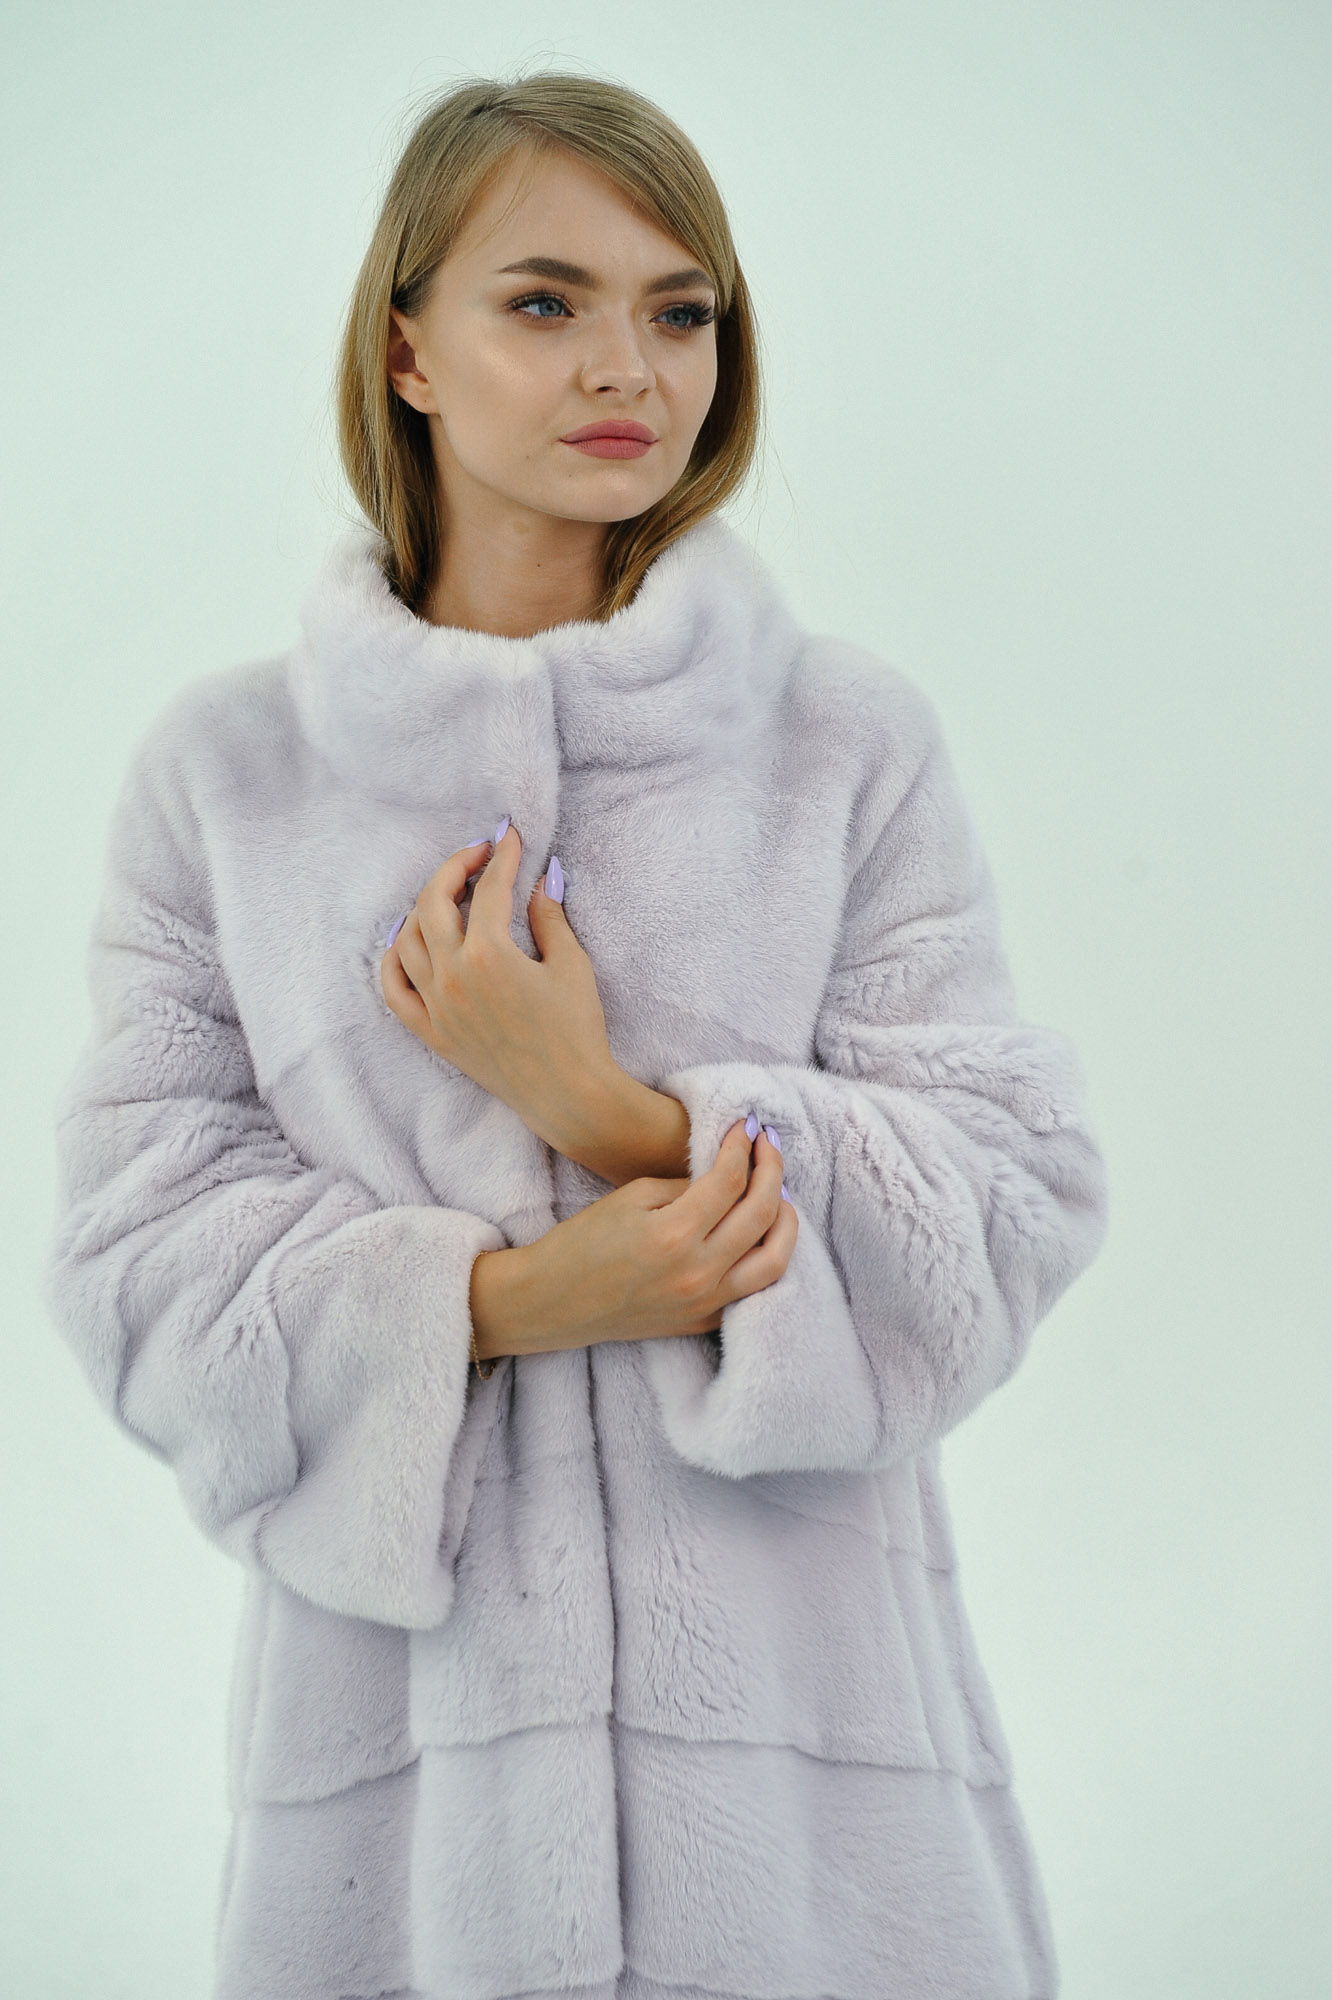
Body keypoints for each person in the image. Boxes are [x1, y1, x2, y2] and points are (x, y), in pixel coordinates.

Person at [43, 70, 1109, 2000]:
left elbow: (1006, 1203)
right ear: (409, 351)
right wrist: (507, 1303)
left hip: (817, 1818)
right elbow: (140, 1270)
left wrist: (606, 1109)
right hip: (405, 1829)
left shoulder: (846, 745)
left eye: (679, 311)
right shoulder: (225, 782)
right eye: (545, 302)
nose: (629, 365)